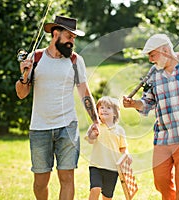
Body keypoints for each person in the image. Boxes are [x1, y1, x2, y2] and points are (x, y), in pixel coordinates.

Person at [15, 16, 99, 200]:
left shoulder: (76, 61)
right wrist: (24, 75)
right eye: (69, 37)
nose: (72, 42)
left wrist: (96, 121)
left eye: (74, 38)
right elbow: (21, 93)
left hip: (67, 127)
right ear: (55, 34)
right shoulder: (35, 58)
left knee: (67, 177)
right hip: (39, 128)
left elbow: (85, 93)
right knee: (40, 181)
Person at [123, 34, 179, 200]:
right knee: (161, 180)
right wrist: (134, 104)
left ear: (165, 50)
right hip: (164, 136)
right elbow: (148, 102)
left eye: (152, 55)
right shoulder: (154, 74)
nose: (151, 60)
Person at [85, 96, 130, 200]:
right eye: (101, 107)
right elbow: (90, 140)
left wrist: (127, 156)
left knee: (107, 196)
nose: (104, 109)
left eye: (108, 108)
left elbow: (123, 148)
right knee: (95, 188)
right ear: (97, 111)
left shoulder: (119, 130)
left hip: (112, 168)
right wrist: (93, 135)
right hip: (96, 165)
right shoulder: (96, 126)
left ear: (115, 113)